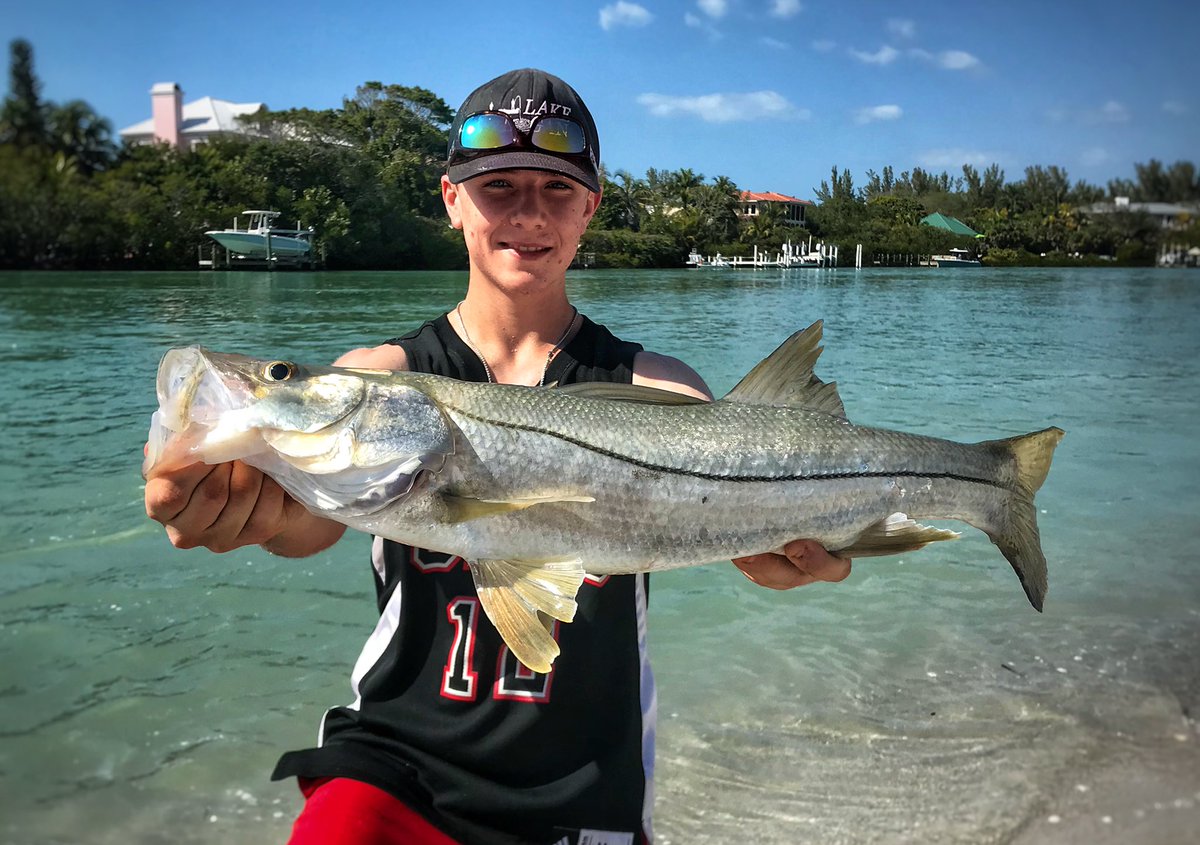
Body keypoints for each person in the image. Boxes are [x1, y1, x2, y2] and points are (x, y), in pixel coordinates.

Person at [145, 68, 851, 845]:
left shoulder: (664, 389)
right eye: (499, 186)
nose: (527, 212)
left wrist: (790, 547)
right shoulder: (381, 376)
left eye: (555, 188)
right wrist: (251, 512)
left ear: (591, 207)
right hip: (394, 769)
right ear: (452, 199)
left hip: (588, 784)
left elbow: (736, 531)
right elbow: (310, 525)